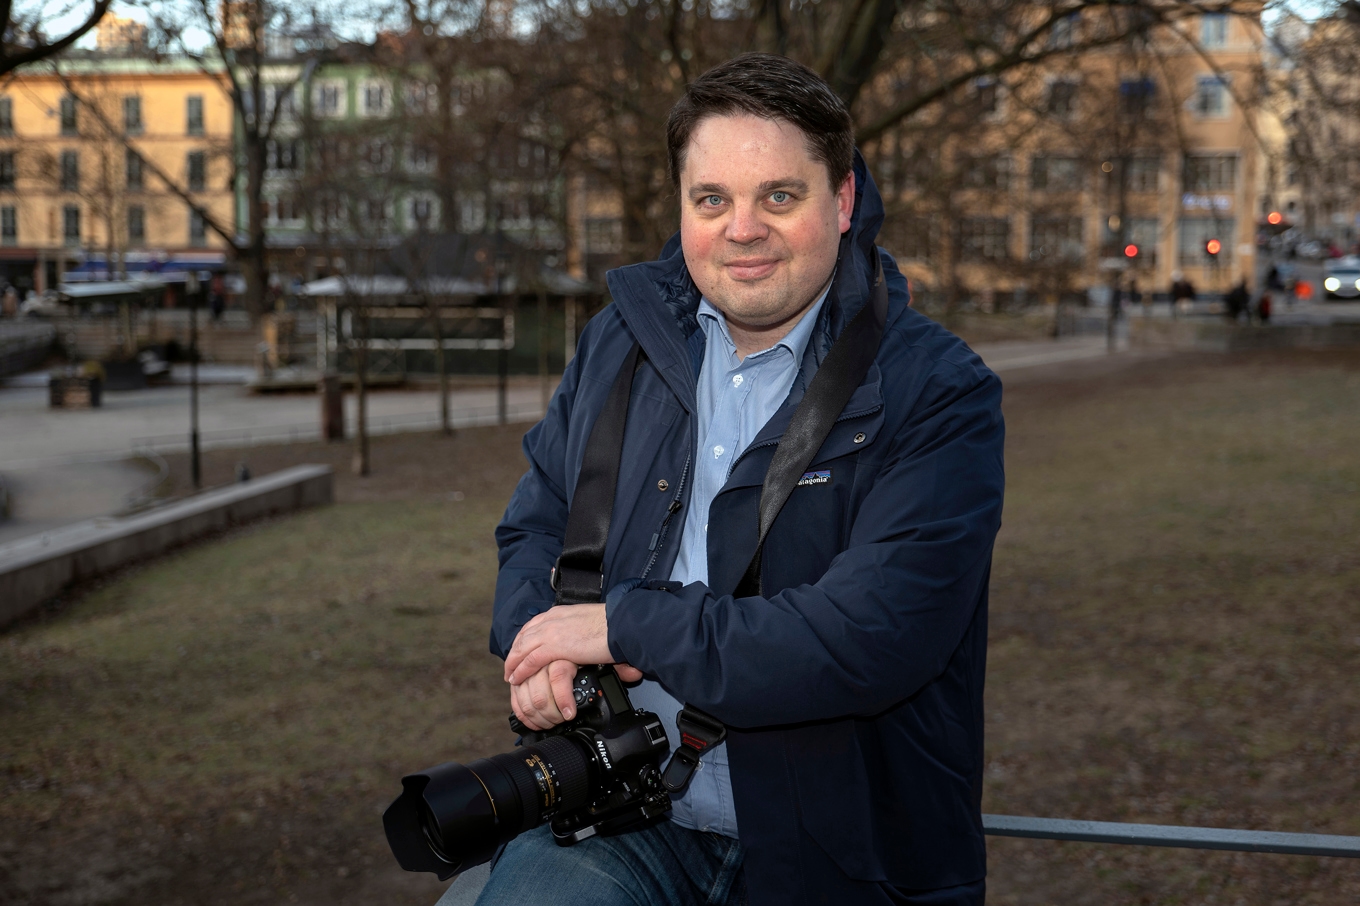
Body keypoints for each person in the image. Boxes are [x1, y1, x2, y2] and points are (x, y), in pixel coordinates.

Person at [479, 54, 1004, 906]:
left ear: (842, 201)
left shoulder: (939, 392)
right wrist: (539, 642)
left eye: (779, 196)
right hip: (623, 815)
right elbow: (535, 525)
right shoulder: (620, 343)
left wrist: (625, 628)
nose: (742, 228)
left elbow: (868, 637)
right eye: (711, 198)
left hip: (840, 848)